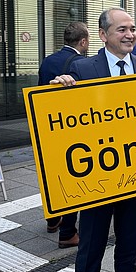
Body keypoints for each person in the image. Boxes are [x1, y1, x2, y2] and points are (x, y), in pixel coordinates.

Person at [52, 7, 136, 272]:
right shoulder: (82, 69)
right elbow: (64, 118)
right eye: (122, 29)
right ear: (103, 35)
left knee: (129, 244)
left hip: (135, 177)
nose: (130, 35)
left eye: (133, 29)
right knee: (92, 248)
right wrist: (60, 89)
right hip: (96, 180)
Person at [38, 21, 90, 248]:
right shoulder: (82, 63)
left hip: (48, 128)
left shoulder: (47, 60)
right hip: (71, 130)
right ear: (84, 41)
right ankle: (68, 232)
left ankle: (52, 220)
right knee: (71, 180)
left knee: (52, 174)